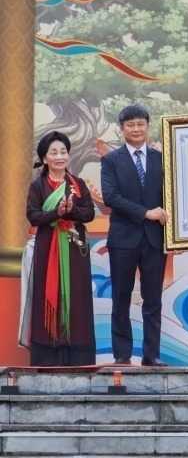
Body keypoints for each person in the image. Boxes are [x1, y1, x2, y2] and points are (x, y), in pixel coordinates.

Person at [101, 104, 168, 366]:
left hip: (154, 240)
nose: (136, 129)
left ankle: (152, 356)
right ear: (122, 130)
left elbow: (170, 197)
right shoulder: (111, 160)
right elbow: (111, 197)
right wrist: (145, 213)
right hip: (123, 240)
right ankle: (122, 355)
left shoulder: (160, 160)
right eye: (130, 125)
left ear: (147, 126)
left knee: (153, 300)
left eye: (140, 124)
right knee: (121, 298)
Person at [26, 131, 96, 366]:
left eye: (63, 152)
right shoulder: (38, 186)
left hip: (75, 249)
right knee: (49, 293)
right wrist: (57, 213)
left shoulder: (78, 184)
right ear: (45, 158)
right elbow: (33, 216)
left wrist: (71, 211)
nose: (59, 157)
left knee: (76, 297)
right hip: (48, 250)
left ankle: (77, 355)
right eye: (53, 153)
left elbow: (89, 213)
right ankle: (48, 354)